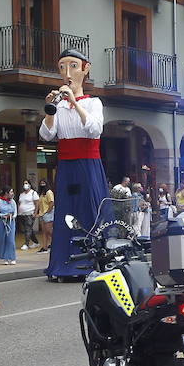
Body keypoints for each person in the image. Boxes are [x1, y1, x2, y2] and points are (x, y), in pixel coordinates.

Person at [40, 50, 110, 281]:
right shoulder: (58, 107)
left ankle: (94, 261)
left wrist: (74, 102)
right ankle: (63, 263)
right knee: (66, 212)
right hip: (67, 165)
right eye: (62, 67)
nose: (67, 73)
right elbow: (47, 134)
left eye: (72, 66)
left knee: (90, 209)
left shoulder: (93, 102)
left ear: (85, 68)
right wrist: (51, 110)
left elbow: (95, 129)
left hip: (88, 164)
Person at [0, 187, 18, 265]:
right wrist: (2, 215)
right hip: (1, 222)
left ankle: (12, 257)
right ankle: (5, 258)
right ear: (6, 193)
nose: (12, 193)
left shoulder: (12, 202)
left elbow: (15, 212)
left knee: (11, 240)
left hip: (10, 222)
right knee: (2, 239)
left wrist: (11, 216)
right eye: (11, 192)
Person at [17, 180, 39, 250]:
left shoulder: (33, 193)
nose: (25, 185)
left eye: (26, 183)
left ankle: (26, 243)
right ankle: (36, 242)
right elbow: (19, 203)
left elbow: (37, 203)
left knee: (28, 228)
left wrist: (35, 213)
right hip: (22, 214)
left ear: (29, 184)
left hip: (30, 213)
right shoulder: (22, 194)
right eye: (24, 183)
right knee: (28, 229)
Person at [36, 179, 54, 252]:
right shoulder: (41, 193)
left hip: (47, 214)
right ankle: (44, 247)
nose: (42, 184)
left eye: (43, 183)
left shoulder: (49, 192)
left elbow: (51, 203)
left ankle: (55, 243)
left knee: (49, 231)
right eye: (41, 183)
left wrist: (48, 211)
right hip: (42, 214)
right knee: (44, 232)